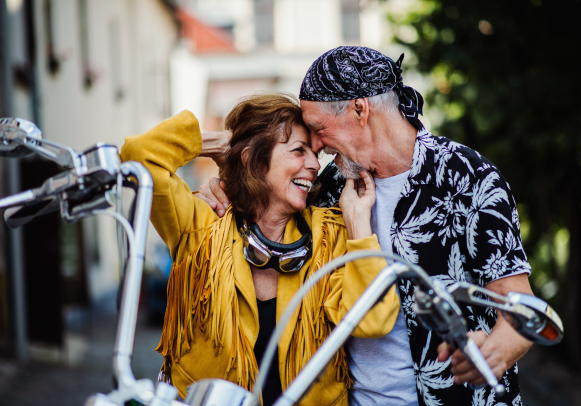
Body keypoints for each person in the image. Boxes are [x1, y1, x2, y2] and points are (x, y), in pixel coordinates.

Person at [198, 47, 535, 406]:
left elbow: (520, 308)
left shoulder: (465, 175)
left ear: (360, 110)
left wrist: (496, 351)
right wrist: (222, 184)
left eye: (317, 128)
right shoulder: (323, 189)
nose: (314, 146)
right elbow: (264, 205)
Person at [120, 93, 399, 406]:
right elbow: (138, 155)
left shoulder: (330, 233)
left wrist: (359, 222)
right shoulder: (200, 225)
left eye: (313, 154)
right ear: (253, 158)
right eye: (298, 151)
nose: (313, 164)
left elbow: (374, 320)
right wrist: (220, 142)